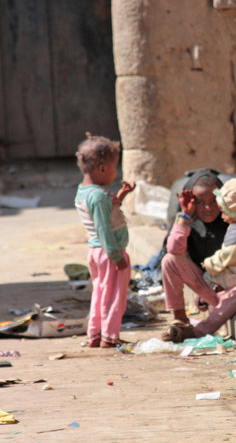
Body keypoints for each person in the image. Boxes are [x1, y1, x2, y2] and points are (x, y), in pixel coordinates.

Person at [161, 170, 236, 342]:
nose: (208, 208)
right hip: (210, 287)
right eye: (200, 202)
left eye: (212, 202)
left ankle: (200, 331)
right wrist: (184, 217)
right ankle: (180, 319)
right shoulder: (189, 221)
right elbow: (172, 249)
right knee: (169, 260)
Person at [74, 133, 135, 348]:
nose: (115, 173)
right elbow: (103, 228)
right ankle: (110, 337)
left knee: (100, 293)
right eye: (113, 168)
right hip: (109, 252)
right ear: (101, 169)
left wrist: (120, 197)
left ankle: (96, 334)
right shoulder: (98, 196)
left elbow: (102, 216)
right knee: (114, 297)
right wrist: (116, 256)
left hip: (96, 253)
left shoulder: (84, 192)